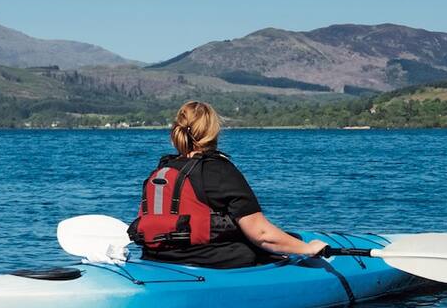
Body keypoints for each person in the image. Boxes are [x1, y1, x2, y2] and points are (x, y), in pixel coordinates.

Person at [128, 101, 328, 268]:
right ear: (213, 132)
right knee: (276, 247)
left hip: (156, 257)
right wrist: (307, 249)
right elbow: (262, 234)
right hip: (209, 262)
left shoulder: (162, 170)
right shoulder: (219, 170)